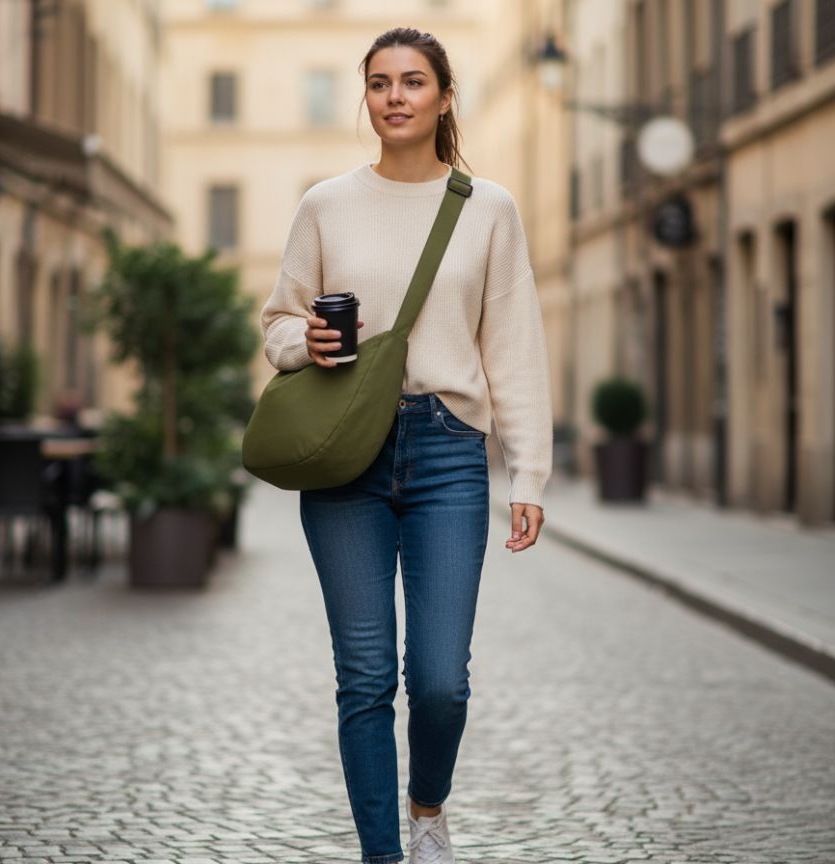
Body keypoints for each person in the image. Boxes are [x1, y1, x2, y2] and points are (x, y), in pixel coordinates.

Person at [259, 26, 553, 864]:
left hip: (449, 449)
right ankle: (384, 855)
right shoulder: (325, 203)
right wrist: (300, 345)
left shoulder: (487, 207)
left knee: (438, 680)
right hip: (345, 450)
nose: (395, 96)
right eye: (380, 82)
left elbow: (515, 346)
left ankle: (428, 807)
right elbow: (280, 318)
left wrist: (529, 471)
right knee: (363, 679)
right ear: (367, 97)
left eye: (413, 81)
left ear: (443, 97)